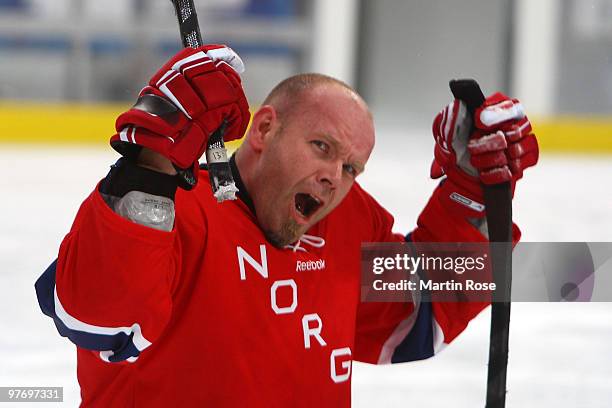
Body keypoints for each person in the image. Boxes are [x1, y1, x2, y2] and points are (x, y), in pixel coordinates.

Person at [35, 45, 538, 407]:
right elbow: (100, 321)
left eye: (351, 167)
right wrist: (148, 167)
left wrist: (470, 192)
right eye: (322, 146)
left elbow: (418, 312)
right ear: (265, 128)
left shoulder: (345, 218)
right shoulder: (177, 207)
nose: (333, 178)